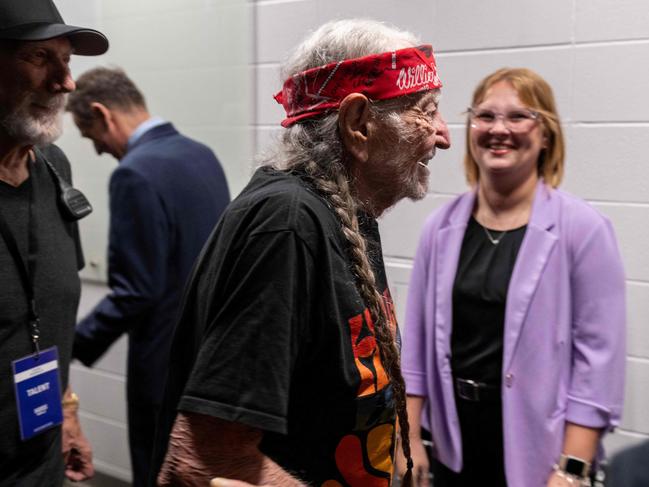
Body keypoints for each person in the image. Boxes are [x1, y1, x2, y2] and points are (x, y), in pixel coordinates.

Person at [152, 18, 451, 487]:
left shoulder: (345, 212)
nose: (443, 134)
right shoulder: (287, 224)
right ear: (359, 124)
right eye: (426, 111)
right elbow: (202, 459)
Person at [399, 67, 626, 487]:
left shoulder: (583, 229)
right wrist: (409, 438)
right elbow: (414, 346)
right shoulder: (440, 228)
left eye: (519, 116)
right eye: (485, 116)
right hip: (454, 444)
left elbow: (598, 363)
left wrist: (571, 469)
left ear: (546, 135)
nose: (499, 129)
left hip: (544, 455)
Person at [65, 66, 230, 486]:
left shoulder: (134, 173)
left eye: (92, 138)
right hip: (212, 358)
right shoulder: (202, 155)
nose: (100, 151)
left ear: (103, 115)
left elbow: (137, 290)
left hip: (162, 367)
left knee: (157, 471)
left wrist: (71, 342)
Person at [0, 0, 108, 485]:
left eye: (67, 61)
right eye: (41, 58)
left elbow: (51, 314)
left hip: (41, 462)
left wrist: (67, 414)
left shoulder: (53, 167)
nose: (66, 83)